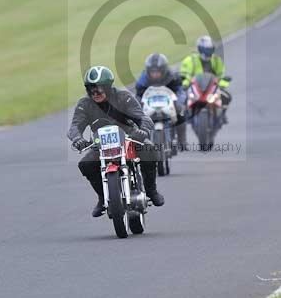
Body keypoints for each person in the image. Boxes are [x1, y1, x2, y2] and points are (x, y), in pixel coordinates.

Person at [68, 65, 164, 217]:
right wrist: (77, 139)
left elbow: (143, 118)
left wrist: (142, 131)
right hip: (101, 144)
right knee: (85, 164)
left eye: (100, 88)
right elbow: (74, 127)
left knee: (150, 150)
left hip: (129, 138)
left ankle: (151, 190)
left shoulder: (123, 97)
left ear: (108, 87)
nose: (95, 92)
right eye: (91, 88)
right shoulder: (84, 104)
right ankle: (102, 197)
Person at [135, 53, 188, 151]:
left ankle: (182, 140)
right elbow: (138, 96)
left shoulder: (173, 77)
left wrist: (179, 102)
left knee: (181, 113)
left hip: (169, 103)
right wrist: (138, 106)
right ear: (148, 71)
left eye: (158, 72)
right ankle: (143, 143)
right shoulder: (142, 80)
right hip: (150, 105)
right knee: (137, 120)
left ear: (163, 70)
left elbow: (180, 92)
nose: (155, 74)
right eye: (152, 72)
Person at [179, 35, 231, 123]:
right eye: (206, 49)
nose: (208, 52)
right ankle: (185, 115)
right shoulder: (190, 60)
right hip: (195, 86)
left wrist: (222, 84)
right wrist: (184, 83)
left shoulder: (216, 60)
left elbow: (221, 75)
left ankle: (222, 115)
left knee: (227, 97)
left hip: (212, 86)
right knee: (182, 98)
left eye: (210, 49)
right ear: (200, 49)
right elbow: (185, 74)